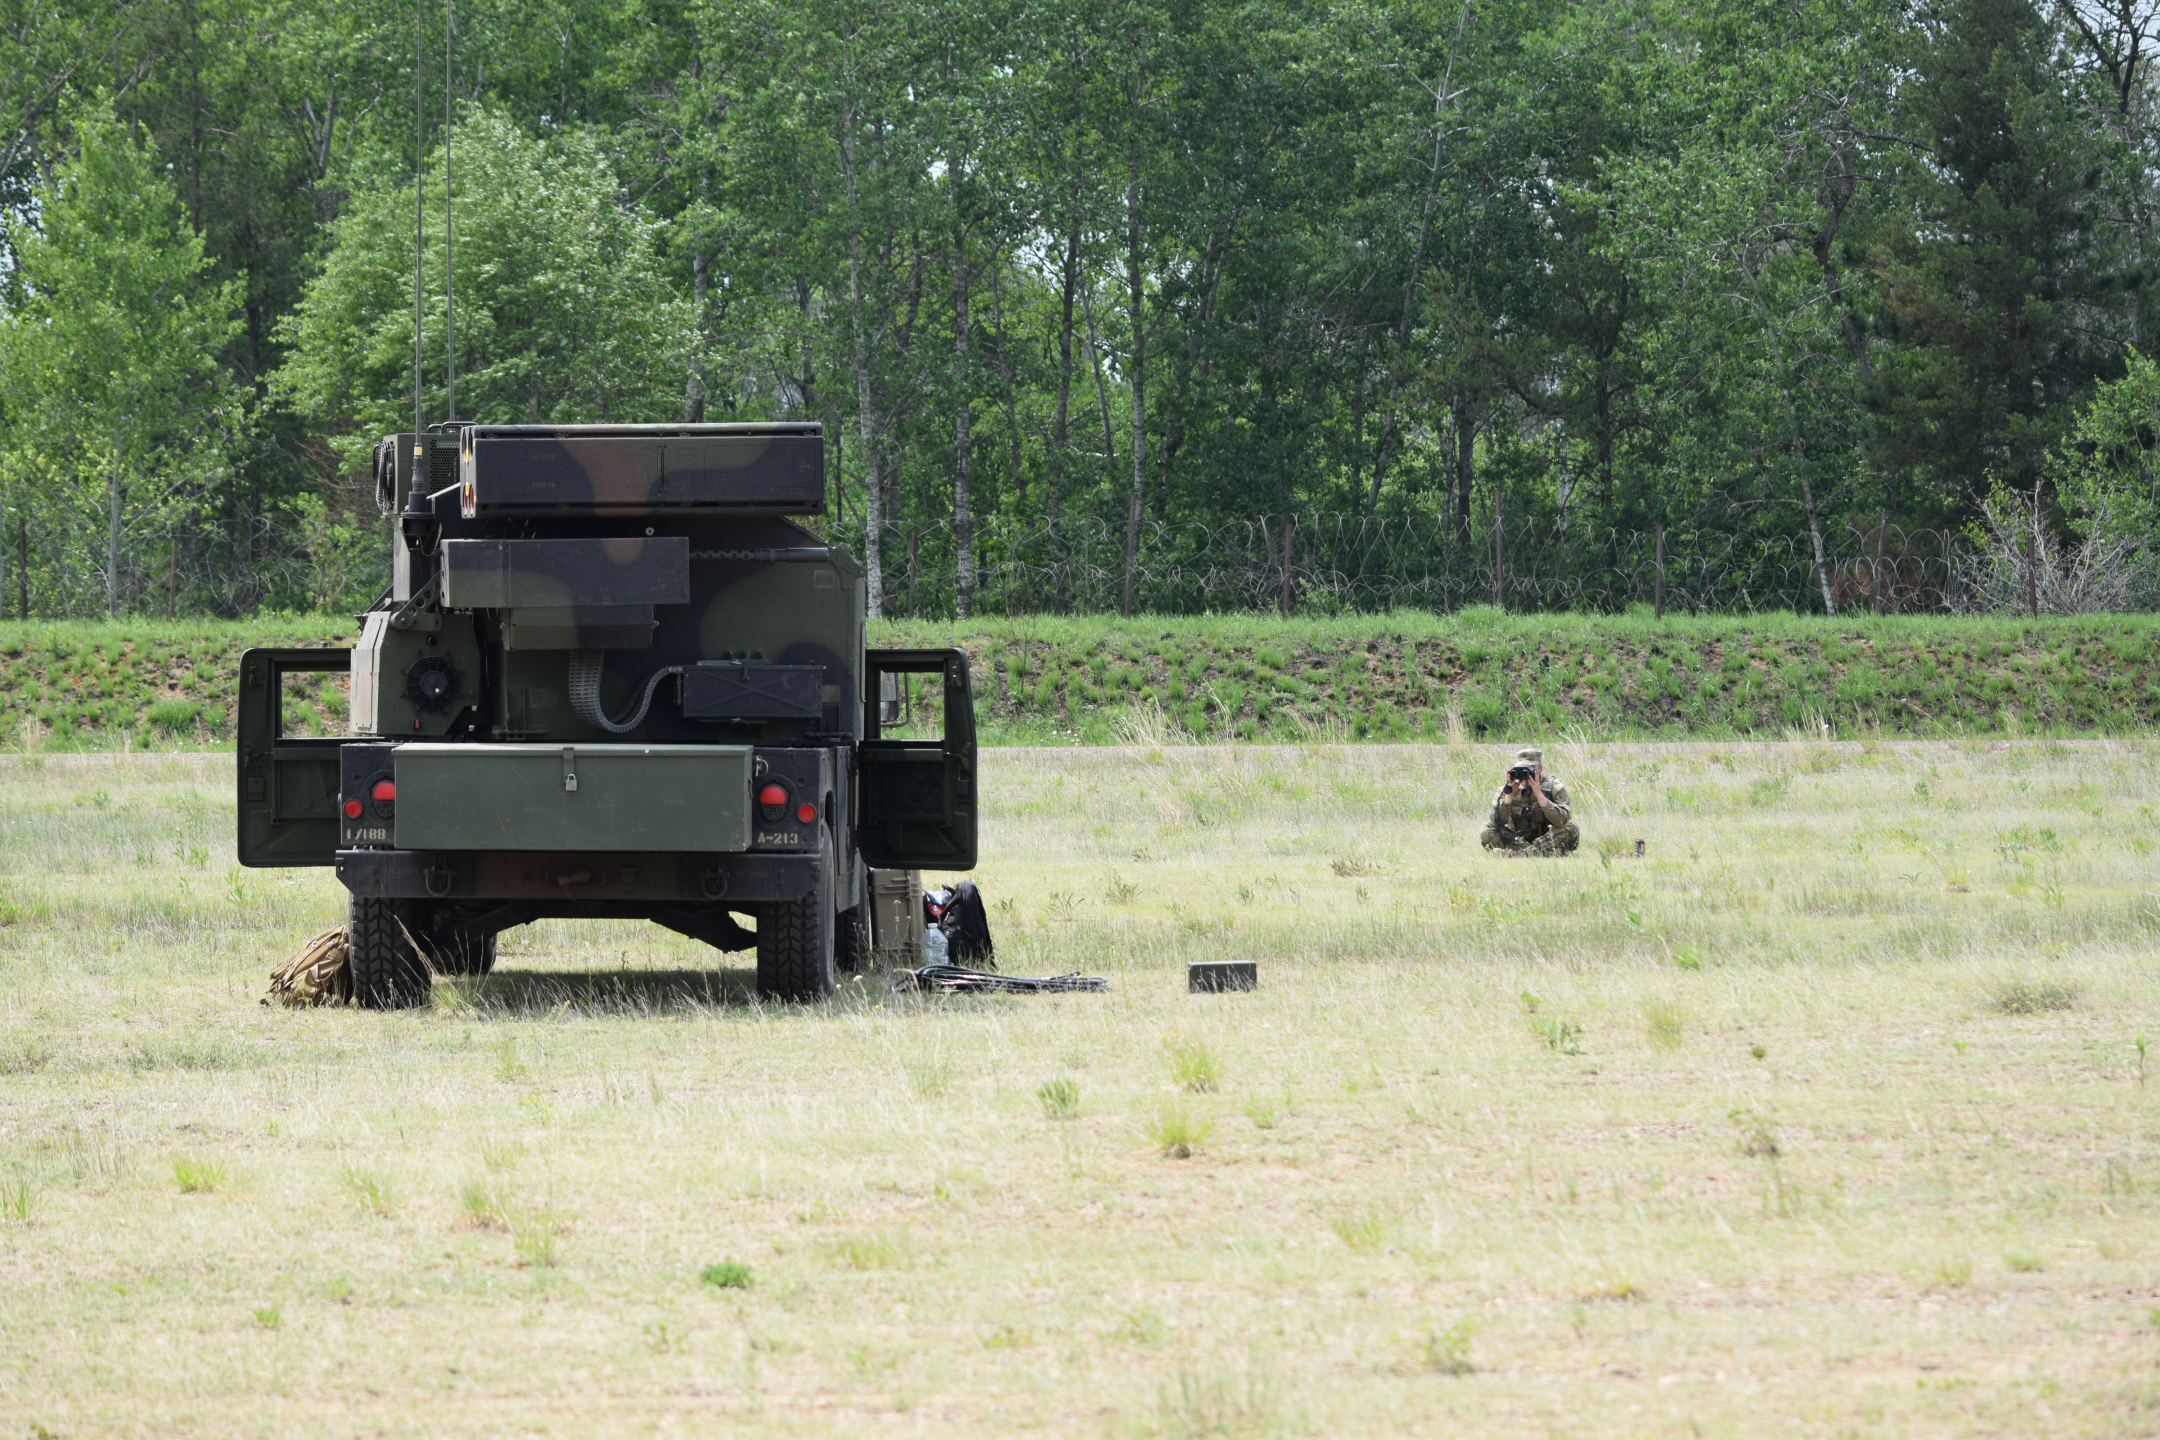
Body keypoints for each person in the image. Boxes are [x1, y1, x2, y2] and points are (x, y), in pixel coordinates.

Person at [1480, 747, 1580, 856]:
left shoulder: (1554, 787)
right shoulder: (1507, 789)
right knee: (1486, 830)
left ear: (1541, 769)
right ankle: (1537, 852)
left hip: (1547, 837)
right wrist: (1509, 796)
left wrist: (1539, 795)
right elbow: (1495, 824)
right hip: (1518, 839)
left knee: (1571, 827)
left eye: (1530, 769)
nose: (1526, 774)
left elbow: (1562, 821)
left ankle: (1519, 854)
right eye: (1522, 769)